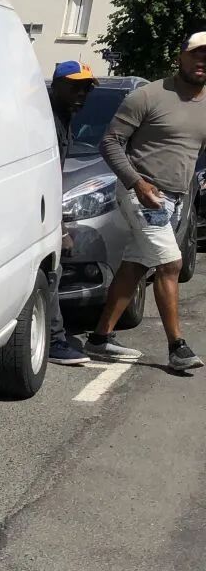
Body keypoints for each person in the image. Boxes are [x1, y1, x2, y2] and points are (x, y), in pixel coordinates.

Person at [86, 34, 206, 371]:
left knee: (136, 264)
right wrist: (137, 183)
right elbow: (110, 143)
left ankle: (100, 338)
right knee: (170, 264)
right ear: (181, 56)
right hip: (143, 194)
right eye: (197, 54)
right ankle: (177, 348)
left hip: (178, 198)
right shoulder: (148, 95)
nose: (202, 62)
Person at [46, 61, 96, 365]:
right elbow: (47, 176)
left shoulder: (64, 117)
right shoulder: (47, 120)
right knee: (50, 272)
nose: (82, 93)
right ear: (56, 85)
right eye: (75, 86)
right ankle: (53, 340)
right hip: (38, 210)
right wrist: (61, 227)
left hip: (46, 207)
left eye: (87, 88)